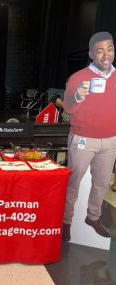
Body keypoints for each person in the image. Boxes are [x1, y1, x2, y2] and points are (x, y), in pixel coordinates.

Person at [62, 32, 116, 242]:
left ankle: (93, 217)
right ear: (91, 53)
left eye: (109, 49)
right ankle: (66, 221)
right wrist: (78, 96)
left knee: (102, 183)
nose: (106, 55)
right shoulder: (78, 78)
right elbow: (67, 108)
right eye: (100, 50)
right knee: (74, 182)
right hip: (83, 138)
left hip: (111, 140)